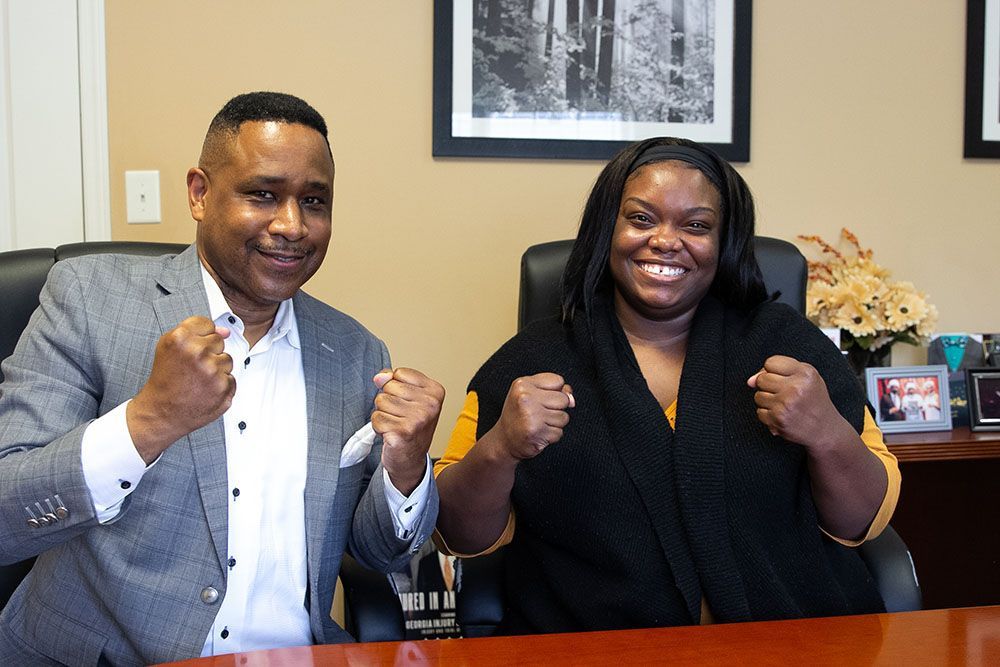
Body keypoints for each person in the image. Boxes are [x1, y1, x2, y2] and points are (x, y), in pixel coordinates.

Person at [0, 92, 444, 665]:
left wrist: (406, 470)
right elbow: (8, 514)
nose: (292, 225)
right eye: (263, 195)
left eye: (314, 202)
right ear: (200, 193)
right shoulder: (88, 298)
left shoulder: (356, 351)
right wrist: (148, 422)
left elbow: (381, 554)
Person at [434, 137, 900, 634]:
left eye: (696, 226)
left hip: (788, 642)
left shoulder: (789, 345)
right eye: (641, 218)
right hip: (592, 648)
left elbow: (863, 521)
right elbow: (458, 534)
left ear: (724, 243)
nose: (665, 241)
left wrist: (826, 432)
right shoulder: (526, 363)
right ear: (606, 229)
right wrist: (501, 449)